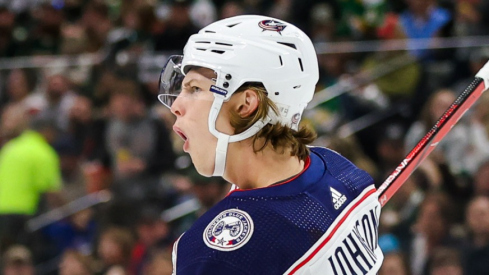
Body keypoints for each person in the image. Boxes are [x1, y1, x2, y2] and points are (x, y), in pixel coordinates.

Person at [157, 15, 383, 274]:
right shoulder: (343, 172)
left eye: (194, 88)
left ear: (246, 104)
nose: (175, 106)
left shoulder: (212, 254)